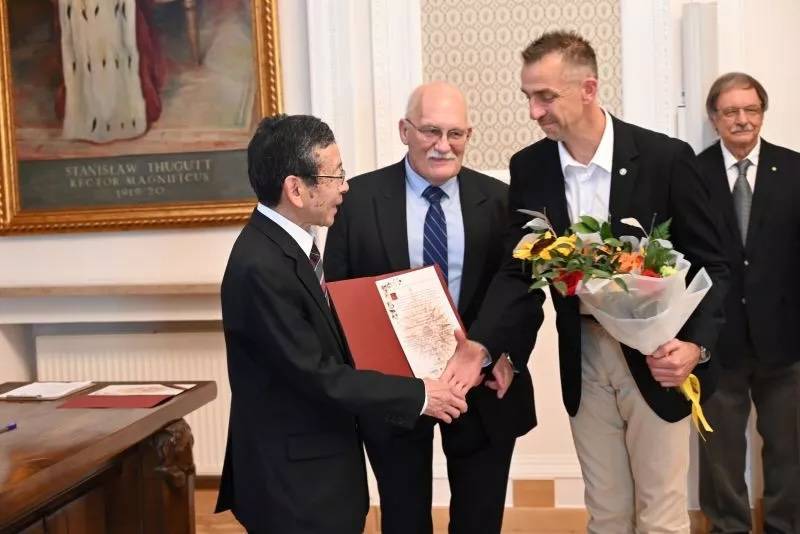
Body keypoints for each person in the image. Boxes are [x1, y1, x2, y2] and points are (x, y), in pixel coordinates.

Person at [446, 31, 729, 533]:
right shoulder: (530, 167)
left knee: (661, 515)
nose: (533, 112)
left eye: (545, 97)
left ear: (589, 89)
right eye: (528, 97)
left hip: (658, 355)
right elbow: (519, 269)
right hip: (583, 352)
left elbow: (714, 265)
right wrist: (484, 344)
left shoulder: (664, 158)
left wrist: (695, 348)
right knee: (606, 511)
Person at [215, 114, 469, 533]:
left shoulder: (288, 248)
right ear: (296, 189)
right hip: (294, 484)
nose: (345, 187)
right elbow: (317, 375)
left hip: (315, 470)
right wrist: (419, 394)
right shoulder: (260, 266)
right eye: (336, 175)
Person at [324, 82, 538, 534]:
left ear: (469, 135)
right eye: (430, 131)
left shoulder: (502, 201)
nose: (444, 145)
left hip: (481, 385)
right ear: (405, 131)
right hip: (394, 390)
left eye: (455, 134)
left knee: (479, 521)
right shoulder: (357, 200)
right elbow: (340, 297)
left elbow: (524, 291)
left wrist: (504, 354)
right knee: (403, 518)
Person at [696, 72, 800, 534]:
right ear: (714, 118)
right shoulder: (692, 174)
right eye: (731, 111)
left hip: (786, 339)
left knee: (789, 452)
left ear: (762, 113)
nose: (742, 119)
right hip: (717, 339)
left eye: (751, 109)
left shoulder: (794, 169)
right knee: (719, 455)